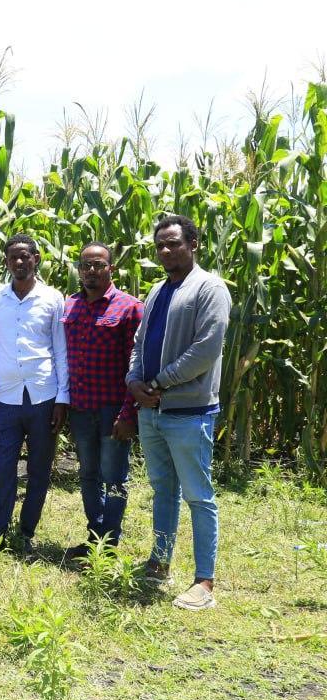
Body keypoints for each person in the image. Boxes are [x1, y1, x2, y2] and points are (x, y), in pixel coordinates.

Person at [127, 215, 231, 611]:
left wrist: (160, 383)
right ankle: (159, 562)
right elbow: (139, 342)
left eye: (173, 243)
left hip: (188, 410)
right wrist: (135, 380)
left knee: (198, 496)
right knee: (162, 490)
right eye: (160, 246)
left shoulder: (209, 288)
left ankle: (204, 582)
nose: (166, 251)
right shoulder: (157, 290)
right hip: (151, 409)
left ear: (194, 245)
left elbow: (206, 349)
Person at [0, 234, 69, 554]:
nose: (19, 262)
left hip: (43, 396)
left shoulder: (52, 298)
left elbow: (61, 349)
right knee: (3, 465)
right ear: (5, 262)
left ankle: (26, 530)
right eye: (12, 257)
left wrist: (63, 398)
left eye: (24, 256)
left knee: (39, 468)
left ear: (36, 258)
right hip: (6, 397)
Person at [61, 242, 143, 563]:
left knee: (115, 477)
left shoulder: (129, 308)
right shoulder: (70, 307)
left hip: (113, 410)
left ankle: (108, 543)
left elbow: (135, 366)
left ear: (111, 269)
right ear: (79, 270)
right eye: (86, 266)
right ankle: (94, 535)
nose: (91, 271)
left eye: (98, 265)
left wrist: (128, 414)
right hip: (81, 409)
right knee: (88, 475)